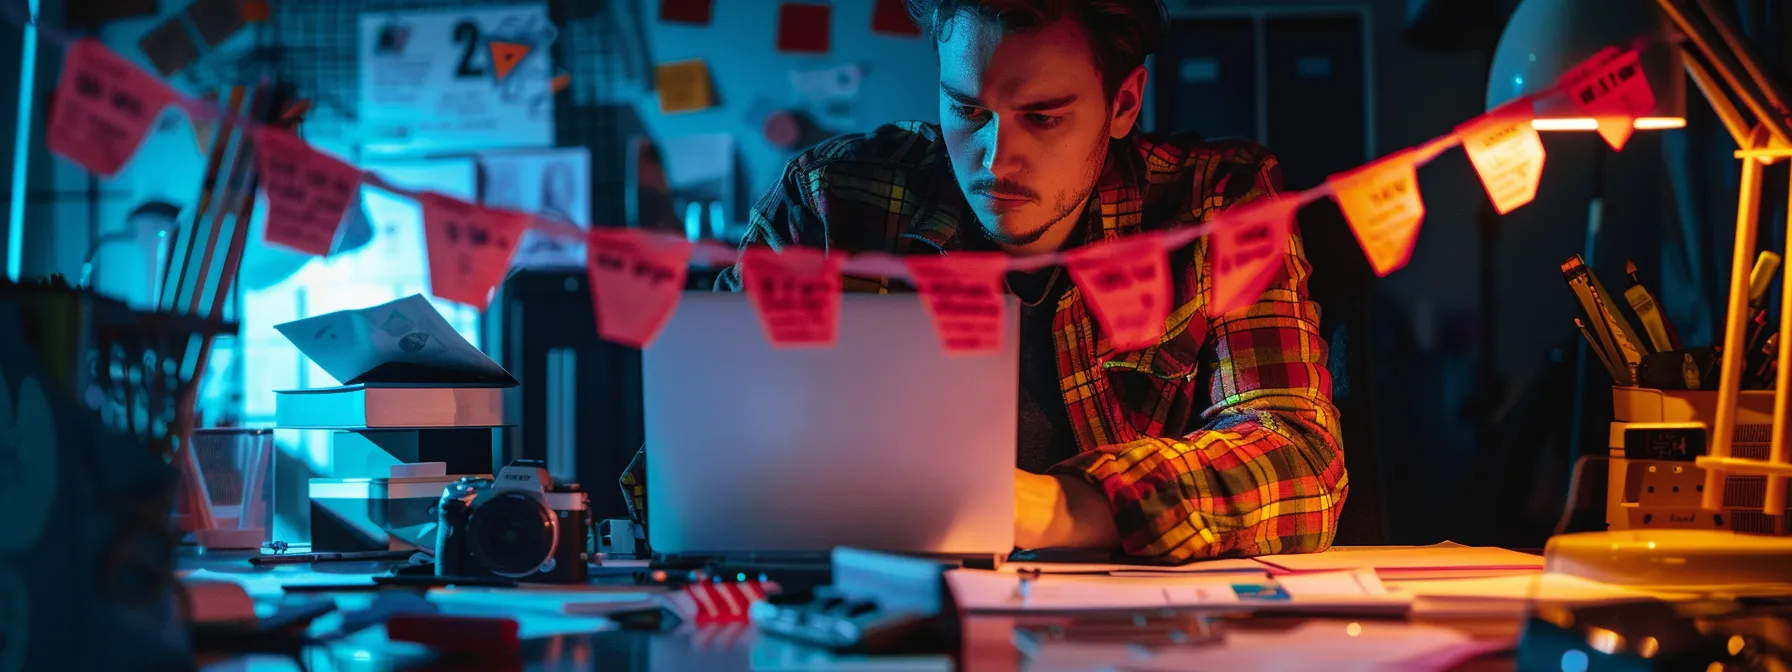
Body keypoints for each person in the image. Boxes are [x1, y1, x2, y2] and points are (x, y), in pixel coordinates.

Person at [622, 0, 1346, 562]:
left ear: (1124, 104)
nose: (997, 162)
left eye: (1043, 117)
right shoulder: (831, 198)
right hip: (878, 621)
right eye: (968, 111)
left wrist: (1041, 506)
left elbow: (1300, 458)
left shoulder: (1218, 203)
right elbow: (681, 474)